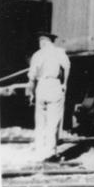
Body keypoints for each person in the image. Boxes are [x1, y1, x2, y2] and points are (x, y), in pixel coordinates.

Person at [27, 31, 70, 161]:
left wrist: (31, 93)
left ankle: (40, 151)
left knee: (40, 121)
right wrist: (65, 84)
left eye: (40, 42)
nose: (39, 44)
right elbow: (67, 66)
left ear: (43, 41)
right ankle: (51, 153)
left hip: (41, 86)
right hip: (54, 84)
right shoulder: (59, 52)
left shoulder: (37, 55)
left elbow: (31, 76)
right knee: (53, 120)